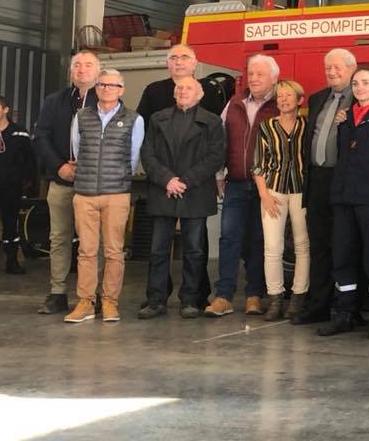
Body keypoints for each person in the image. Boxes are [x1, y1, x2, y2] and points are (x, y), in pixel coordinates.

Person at [136, 43, 222, 309]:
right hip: (163, 190)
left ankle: (192, 300)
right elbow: (147, 153)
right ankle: (156, 300)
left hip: (195, 192)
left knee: (195, 250)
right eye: (179, 89)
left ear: (199, 93)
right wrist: (168, 180)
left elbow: (215, 156)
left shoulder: (212, 121)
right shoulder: (157, 118)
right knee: (157, 250)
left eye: (189, 88)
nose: (183, 91)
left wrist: (184, 181)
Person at [319, 66, 369, 339]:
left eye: (366, 82)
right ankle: (344, 314)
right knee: (342, 256)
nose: (360, 87)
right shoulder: (346, 118)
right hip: (343, 198)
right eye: (356, 83)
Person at [64, 69, 144, 323]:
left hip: (116, 193)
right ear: (96, 88)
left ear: (121, 90)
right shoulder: (81, 116)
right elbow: (77, 150)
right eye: (102, 85)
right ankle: (86, 302)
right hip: (84, 193)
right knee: (86, 251)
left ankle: (109, 301)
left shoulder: (134, 119)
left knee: (113, 251)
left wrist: (115, 177)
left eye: (112, 85)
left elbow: (133, 156)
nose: (106, 89)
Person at [206, 54, 279, 317]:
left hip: (268, 189)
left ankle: (254, 296)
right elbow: (220, 141)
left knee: (259, 241)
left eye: (260, 74)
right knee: (229, 240)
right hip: (235, 182)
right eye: (251, 73)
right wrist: (217, 175)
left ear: (274, 78)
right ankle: (223, 296)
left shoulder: (279, 105)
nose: (254, 78)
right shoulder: (234, 102)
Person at [293, 49, 357, 326]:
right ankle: (318, 306)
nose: (331, 72)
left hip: (346, 183)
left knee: (345, 246)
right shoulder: (318, 98)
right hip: (317, 181)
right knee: (318, 245)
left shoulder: (361, 99)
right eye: (327, 67)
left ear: (352, 69)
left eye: (337, 67)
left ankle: (347, 309)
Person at [33, 50, 99, 314]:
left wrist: (86, 167)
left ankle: (91, 295)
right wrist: (59, 167)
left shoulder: (106, 100)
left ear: (98, 71)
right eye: (77, 66)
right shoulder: (54, 101)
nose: (82, 70)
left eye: (88, 65)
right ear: (71, 72)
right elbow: (41, 137)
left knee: (93, 241)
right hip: (60, 181)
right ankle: (57, 292)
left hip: (93, 184)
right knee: (59, 237)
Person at [253, 79, 310, 322]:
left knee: (302, 246)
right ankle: (275, 298)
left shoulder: (308, 126)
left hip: (301, 191)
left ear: (300, 100)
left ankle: (298, 298)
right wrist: (264, 195)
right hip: (273, 191)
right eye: (280, 96)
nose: (284, 99)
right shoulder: (266, 127)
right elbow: (258, 165)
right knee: (272, 248)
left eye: (289, 96)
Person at [135, 43, 224, 127]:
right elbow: (141, 124)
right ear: (167, 64)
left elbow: (218, 126)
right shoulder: (153, 90)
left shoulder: (209, 90)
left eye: (184, 57)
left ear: (195, 63)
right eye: (173, 58)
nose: (178, 62)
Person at [0, 95, 35, 274]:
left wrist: (27, 184)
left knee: (11, 225)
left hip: (11, 188)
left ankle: (12, 261)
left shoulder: (19, 133)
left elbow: (30, 160)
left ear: (5, 110)